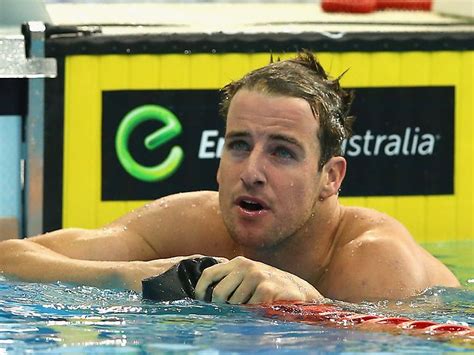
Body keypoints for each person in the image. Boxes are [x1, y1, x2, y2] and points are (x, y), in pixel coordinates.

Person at [0, 51, 459, 304]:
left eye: (282, 152)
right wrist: (132, 275)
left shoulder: (375, 263)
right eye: (239, 144)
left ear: (330, 177)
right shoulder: (191, 225)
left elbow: (433, 339)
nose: (252, 172)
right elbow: (12, 258)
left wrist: (311, 307)